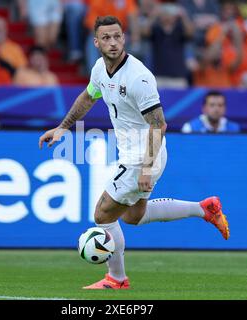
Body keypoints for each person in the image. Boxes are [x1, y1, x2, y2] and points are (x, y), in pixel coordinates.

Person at [39, 16, 230, 290]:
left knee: (103, 215)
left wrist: (146, 168)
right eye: (106, 38)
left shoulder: (138, 77)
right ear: (96, 42)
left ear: (124, 38)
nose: (113, 42)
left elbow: (159, 124)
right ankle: (204, 209)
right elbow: (88, 97)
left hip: (143, 155)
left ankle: (116, 278)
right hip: (134, 154)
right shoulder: (99, 69)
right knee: (132, 217)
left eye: (117, 36)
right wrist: (63, 127)